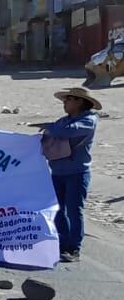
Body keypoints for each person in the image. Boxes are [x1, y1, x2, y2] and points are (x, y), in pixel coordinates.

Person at [39, 87, 101, 263]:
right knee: (58, 209)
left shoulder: (89, 120)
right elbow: (54, 131)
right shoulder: (63, 120)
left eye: (68, 100)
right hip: (58, 173)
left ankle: (74, 248)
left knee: (74, 211)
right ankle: (63, 242)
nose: (64, 103)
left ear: (79, 101)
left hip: (77, 173)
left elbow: (66, 131)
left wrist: (49, 127)